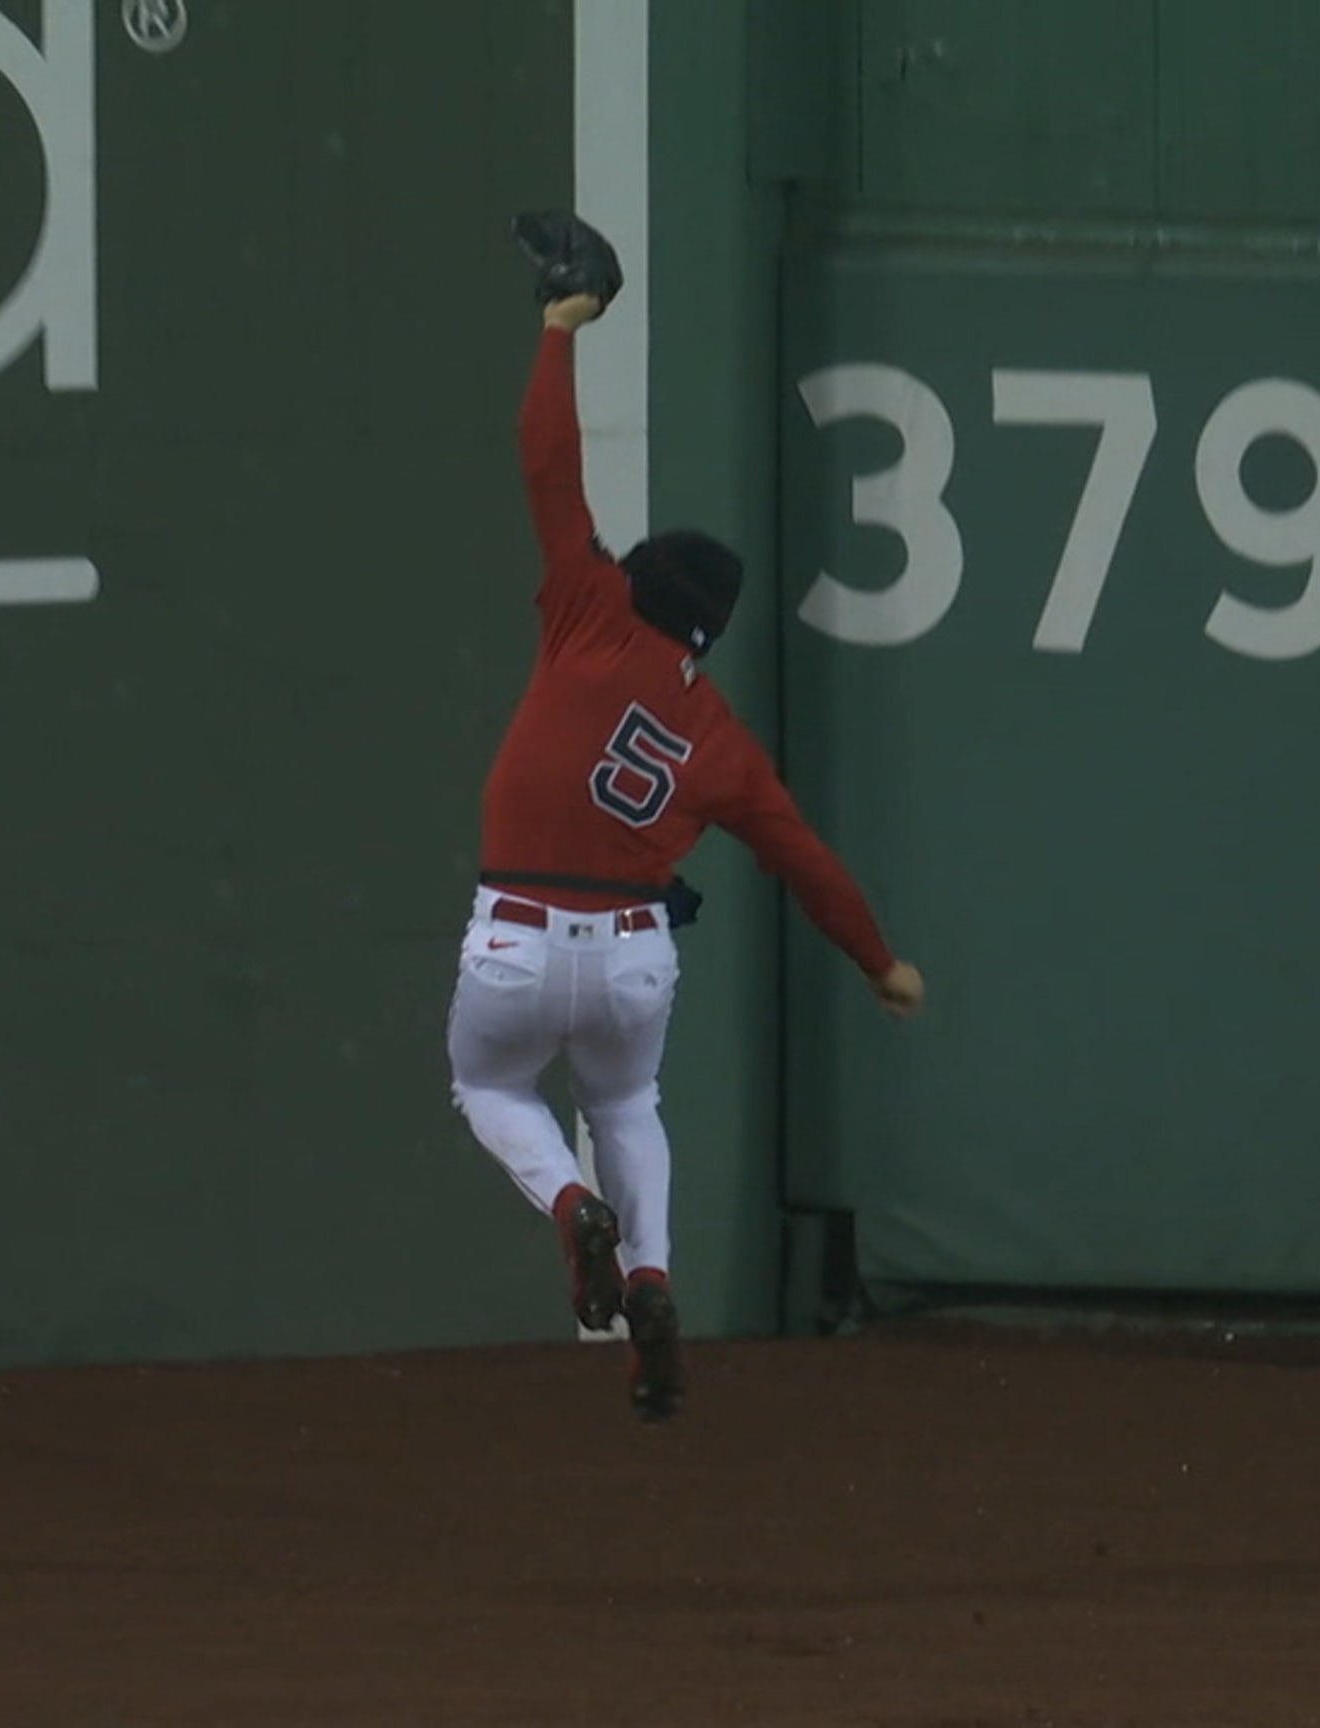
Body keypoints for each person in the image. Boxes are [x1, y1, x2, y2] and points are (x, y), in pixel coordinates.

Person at [448, 287, 925, 1423]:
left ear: (638, 583)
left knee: (487, 1081)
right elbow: (804, 859)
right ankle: (651, 1279)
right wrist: (877, 961)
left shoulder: (588, 606)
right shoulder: (719, 738)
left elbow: (547, 463)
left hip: (514, 934)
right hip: (631, 954)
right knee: (628, 1103)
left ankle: (570, 1208)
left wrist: (559, 329)